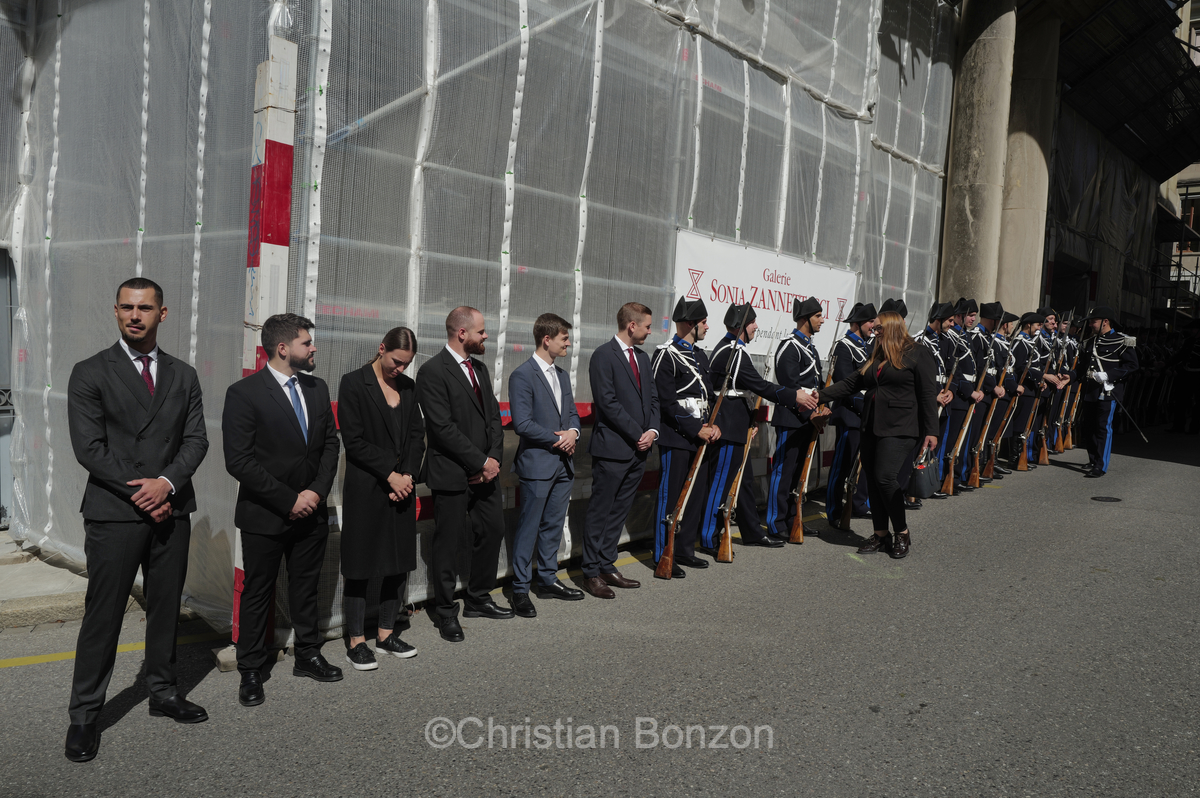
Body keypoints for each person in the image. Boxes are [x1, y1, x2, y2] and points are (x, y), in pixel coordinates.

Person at [64, 278, 210, 763]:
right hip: (115, 511)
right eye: (126, 307)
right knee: (103, 615)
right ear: (115, 311)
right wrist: (147, 491)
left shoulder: (183, 375)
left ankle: (163, 692)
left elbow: (196, 441)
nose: (134, 315)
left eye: (144, 308)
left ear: (161, 314)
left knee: (166, 607)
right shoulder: (89, 372)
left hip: (171, 509)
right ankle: (85, 714)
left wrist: (166, 485)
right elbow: (90, 449)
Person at [223, 313, 342, 707]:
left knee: (306, 587)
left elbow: (329, 446)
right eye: (307, 343)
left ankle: (308, 654)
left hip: (312, 511)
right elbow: (239, 461)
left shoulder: (317, 388)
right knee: (259, 591)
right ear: (282, 348)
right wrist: (289, 499)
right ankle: (252, 670)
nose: (313, 349)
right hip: (266, 514)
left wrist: (315, 493)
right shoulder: (244, 393)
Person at [416, 306, 511, 641]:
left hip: (486, 472)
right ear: (462, 333)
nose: (486, 336)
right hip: (452, 473)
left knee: (494, 528)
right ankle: (445, 612)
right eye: (481, 331)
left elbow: (494, 421)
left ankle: (478, 598)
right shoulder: (432, 371)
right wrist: (479, 463)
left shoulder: (480, 369)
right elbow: (441, 428)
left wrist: (493, 461)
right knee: (448, 542)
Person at [336, 327, 425, 671]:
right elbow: (354, 441)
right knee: (360, 565)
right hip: (367, 487)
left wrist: (409, 477)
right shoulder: (354, 383)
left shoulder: (408, 387)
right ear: (381, 349)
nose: (400, 369)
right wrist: (391, 474)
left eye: (407, 364)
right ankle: (356, 641)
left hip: (402, 485)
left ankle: (387, 634)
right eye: (396, 362)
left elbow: (417, 437)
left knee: (398, 562)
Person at [816, 311, 939, 559]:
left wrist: (931, 431)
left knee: (885, 478)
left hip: (901, 428)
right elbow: (852, 383)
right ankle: (881, 534)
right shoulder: (879, 354)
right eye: (874, 329)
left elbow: (927, 394)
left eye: (879, 328)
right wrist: (819, 396)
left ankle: (901, 532)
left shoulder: (917, 353)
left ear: (892, 328)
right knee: (872, 479)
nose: (874, 331)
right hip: (871, 426)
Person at [699, 303, 817, 549]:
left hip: (737, 425)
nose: (756, 327)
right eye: (752, 322)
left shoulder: (733, 349)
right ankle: (709, 537)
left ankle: (752, 532)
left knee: (743, 483)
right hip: (728, 426)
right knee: (720, 484)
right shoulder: (733, 352)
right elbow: (760, 386)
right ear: (741, 326)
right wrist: (793, 396)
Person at [507, 313, 585, 616]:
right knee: (528, 527)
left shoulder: (562, 375)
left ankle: (548, 580)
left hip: (562, 466)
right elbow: (522, 424)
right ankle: (520, 589)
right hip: (538, 465)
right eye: (564, 338)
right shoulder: (522, 376)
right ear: (546, 339)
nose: (569, 343)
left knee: (553, 525)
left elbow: (573, 415)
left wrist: (574, 433)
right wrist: (560, 438)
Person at [582, 302, 659, 599]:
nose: (650, 331)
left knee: (619, 511)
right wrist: (637, 432)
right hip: (613, 448)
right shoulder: (603, 356)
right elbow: (607, 402)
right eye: (647, 326)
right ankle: (590, 571)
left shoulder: (643, 358)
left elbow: (653, 399)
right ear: (631, 325)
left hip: (638, 450)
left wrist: (652, 431)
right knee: (600, 511)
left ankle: (606, 563)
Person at [651, 297, 720, 578]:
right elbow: (666, 403)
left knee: (695, 495)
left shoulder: (700, 356)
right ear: (690, 324)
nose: (707, 326)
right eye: (703, 322)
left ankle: (684, 549)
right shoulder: (666, 354)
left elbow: (711, 396)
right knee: (671, 498)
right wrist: (695, 428)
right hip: (677, 437)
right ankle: (663, 553)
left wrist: (715, 426)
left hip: (701, 435)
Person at [767, 297, 828, 540]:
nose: (822, 320)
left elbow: (816, 384)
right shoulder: (789, 346)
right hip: (792, 418)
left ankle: (794, 519)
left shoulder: (810, 348)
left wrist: (823, 405)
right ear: (805, 319)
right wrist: (810, 411)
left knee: (800, 474)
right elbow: (789, 385)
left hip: (810, 419)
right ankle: (775, 521)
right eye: (817, 316)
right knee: (783, 472)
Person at [826, 302, 876, 527]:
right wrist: (865, 405)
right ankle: (834, 511)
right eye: (869, 322)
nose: (873, 325)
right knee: (841, 467)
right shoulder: (844, 347)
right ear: (857, 324)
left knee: (863, 464)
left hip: (866, 413)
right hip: (850, 413)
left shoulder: (868, 346)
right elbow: (844, 384)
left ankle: (857, 503)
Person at [1074, 306, 1139, 478]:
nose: (1091, 325)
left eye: (1093, 322)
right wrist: (1066, 377)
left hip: (1108, 392)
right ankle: (1094, 458)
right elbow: (1082, 368)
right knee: (1088, 427)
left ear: (1105, 322)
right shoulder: (1090, 342)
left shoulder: (1122, 341)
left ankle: (1100, 465)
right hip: (1090, 391)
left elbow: (1132, 366)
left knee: (1103, 427)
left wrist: (1108, 375)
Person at [942, 298, 984, 494]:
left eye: (974, 315)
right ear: (959, 315)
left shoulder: (964, 335)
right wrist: (969, 391)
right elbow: (955, 371)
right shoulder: (951, 336)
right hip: (958, 394)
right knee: (952, 439)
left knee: (963, 438)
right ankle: (946, 476)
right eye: (969, 315)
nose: (972, 319)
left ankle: (956, 475)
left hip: (968, 393)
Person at [1009, 312, 1046, 468]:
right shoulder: (1020, 342)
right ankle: (1015, 458)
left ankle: (1021, 455)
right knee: (1020, 424)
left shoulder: (1030, 342)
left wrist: (1040, 379)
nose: (1039, 329)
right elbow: (1020, 366)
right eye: (1037, 325)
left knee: (1026, 424)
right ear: (1028, 325)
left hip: (1032, 388)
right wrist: (1040, 377)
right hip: (1024, 388)